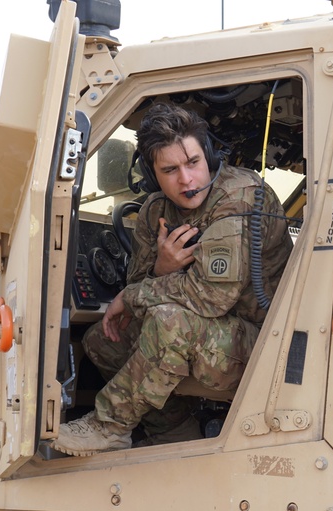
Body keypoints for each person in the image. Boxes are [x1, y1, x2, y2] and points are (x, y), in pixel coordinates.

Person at [53, 103, 293, 456]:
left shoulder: (240, 197)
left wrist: (138, 293)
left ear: (208, 158)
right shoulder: (154, 211)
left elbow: (210, 298)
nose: (186, 179)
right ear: (152, 176)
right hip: (210, 331)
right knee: (101, 341)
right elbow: (135, 281)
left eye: (193, 163)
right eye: (169, 170)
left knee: (170, 324)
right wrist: (161, 269)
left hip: (264, 342)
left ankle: (109, 427)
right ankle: (175, 434)